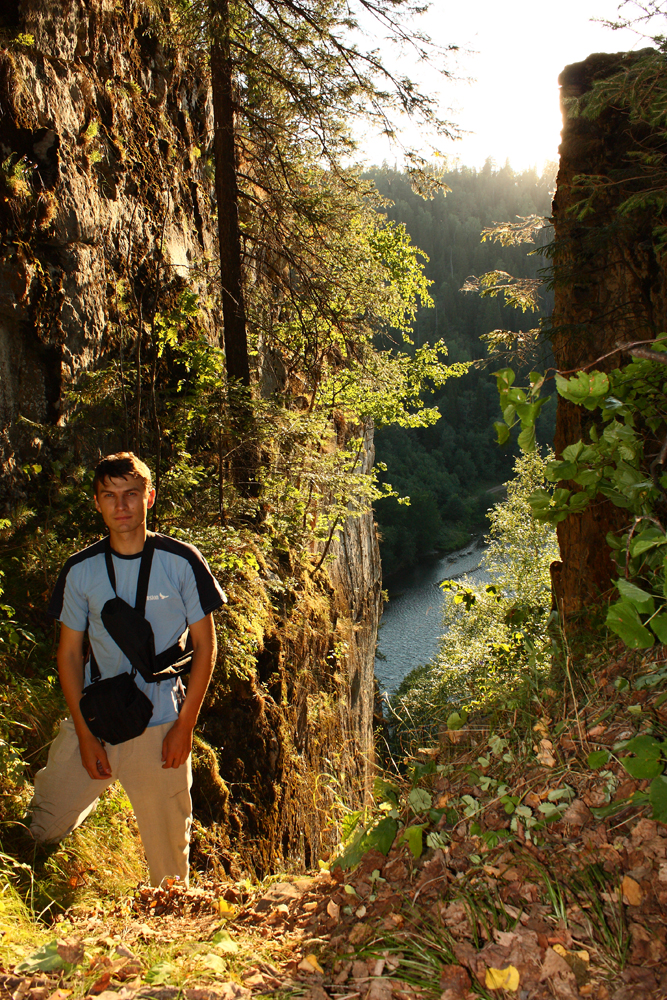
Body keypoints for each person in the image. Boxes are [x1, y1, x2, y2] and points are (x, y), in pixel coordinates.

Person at [30, 452, 226, 886]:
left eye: (131, 494)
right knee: (39, 830)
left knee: (169, 872)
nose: (121, 506)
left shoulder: (181, 561)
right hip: (96, 717)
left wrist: (185, 727)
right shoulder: (80, 570)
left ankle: (168, 926)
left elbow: (205, 647)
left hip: (161, 725)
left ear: (149, 497)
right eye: (110, 496)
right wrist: (85, 735)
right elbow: (69, 654)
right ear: (97, 503)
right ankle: (39, 890)